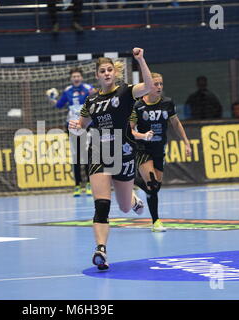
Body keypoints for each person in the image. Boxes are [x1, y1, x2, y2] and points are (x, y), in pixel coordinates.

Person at [68, 47, 153, 270]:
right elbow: (83, 126)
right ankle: (101, 250)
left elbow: (150, 87)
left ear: (114, 73)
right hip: (99, 151)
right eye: (102, 71)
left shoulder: (125, 92)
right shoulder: (91, 101)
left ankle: (133, 198)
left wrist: (141, 60)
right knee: (102, 204)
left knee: (125, 208)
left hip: (124, 153)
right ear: (97, 75)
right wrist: (75, 126)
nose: (106, 73)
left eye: (109, 70)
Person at [130, 72, 191, 232]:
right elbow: (129, 131)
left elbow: (176, 124)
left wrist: (186, 142)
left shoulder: (167, 103)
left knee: (155, 187)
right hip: (143, 148)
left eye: (161, 84)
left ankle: (129, 180)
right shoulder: (138, 106)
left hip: (159, 148)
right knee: (151, 183)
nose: (159, 87)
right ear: (148, 85)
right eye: (155, 84)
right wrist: (143, 136)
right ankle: (156, 222)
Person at [48, 67, 94, 196]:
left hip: (86, 126)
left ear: (82, 77)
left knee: (86, 155)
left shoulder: (88, 88)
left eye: (78, 76)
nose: (76, 78)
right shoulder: (68, 91)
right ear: (71, 79)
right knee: (76, 156)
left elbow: (96, 99)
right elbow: (58, 105)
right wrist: (51, 98)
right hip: (72, 127)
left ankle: (89, 184)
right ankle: (78, 185)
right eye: (74, 76)